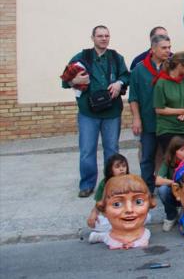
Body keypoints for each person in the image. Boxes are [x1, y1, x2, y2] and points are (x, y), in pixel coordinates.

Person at [63, 25, 130, 198]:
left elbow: (126, 76)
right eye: (100, 36)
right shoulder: (81, 57)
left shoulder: (116, 58)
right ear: (92, 38)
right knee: (87, 150)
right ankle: (87, 184)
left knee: (112, 150)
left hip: (112, 112)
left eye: (107, 35)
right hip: (88, 112)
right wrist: (74, 80)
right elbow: (65, 81)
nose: (104, 38)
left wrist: (119, 83)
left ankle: (112, 184)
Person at [127, 33, 171, 192]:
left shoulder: (172, 68)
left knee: (170, 157)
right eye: (164, 48)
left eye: (169, 47)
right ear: (153, 49)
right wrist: (136, 119)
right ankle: (147, 190)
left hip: (169, 122)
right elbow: (133, 97)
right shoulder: (139, 70)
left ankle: (169, 190)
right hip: (148, 121)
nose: (168, 51)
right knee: (147, 158)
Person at [85, 153, 129, 244]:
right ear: (110, 170)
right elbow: (99, 203)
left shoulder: (131, 181)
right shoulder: (104, 183)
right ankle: (124, 232)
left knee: (147, 217)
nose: (121, 169)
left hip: (129, 215)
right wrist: (93, 214)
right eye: (117, 167)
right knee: (95, 223)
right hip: (111, 218)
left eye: (124, 166)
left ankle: (103, 236)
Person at [155, 136, 184, 232]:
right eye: (182, 149)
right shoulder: (168, 161)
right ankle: (171, 215)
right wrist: (173, 182)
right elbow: (157, 180)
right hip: (175, 193)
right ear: (174, 151)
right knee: (162, 189)